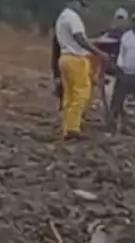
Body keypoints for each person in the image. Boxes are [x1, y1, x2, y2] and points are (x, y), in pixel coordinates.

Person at [53, 0, 107, 140]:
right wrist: (98, 52)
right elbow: (80, 39)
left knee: (69, 96)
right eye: (83, 5)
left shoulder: (62, 17)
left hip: (64, 58)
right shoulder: (73, 17)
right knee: (81, 94)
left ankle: (67, 127)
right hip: (76, 59)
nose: (84, 9)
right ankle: (73, 129)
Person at [91, 8, 129, 114]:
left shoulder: (129, 35)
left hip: (123, 69)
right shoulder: (107, 33)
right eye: (118, 18)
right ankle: (108, 116)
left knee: (121, 95)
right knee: (107, 95)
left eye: (122, 18)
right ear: (115, 19)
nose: (120, 21)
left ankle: (117, 114)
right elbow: (97, 46)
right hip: (108, 69)